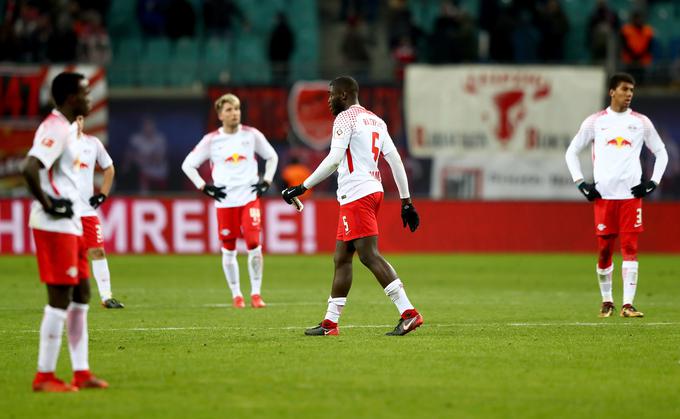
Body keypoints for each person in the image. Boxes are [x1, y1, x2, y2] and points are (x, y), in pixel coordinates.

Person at [282, 76, 422, 336]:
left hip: (357, 193)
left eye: (331, 94)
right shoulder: (377, 121)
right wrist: (406, 202)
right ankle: (330, 324)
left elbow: (334, 159)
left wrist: (302, 187)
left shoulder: (345, 118)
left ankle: (409, 313)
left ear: (344, 95)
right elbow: (395, 162)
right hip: (369, 191)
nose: (328, 100)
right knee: (342, 258)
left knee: (369, 255)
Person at [21, 72, 109, 392]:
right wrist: (49, 204)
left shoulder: (72, 131)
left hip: (72, 224)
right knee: (59, 297)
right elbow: (29, 168)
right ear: (71, 98)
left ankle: (81, 372)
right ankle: (44, 375)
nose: (90, 98)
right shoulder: (55, 128)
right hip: (54, 225)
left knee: (82, 293)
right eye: (86, 92)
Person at [565, 72, 668, 318]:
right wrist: (581, 183)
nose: (629, 94)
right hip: (604, 196)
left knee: (631, 247)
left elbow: (661, 152)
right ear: (612, 92)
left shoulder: (641, 122)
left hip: (631, 197)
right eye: (624, 90)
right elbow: (571, 152)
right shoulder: (595, 122)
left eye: (632, 90)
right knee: (604, 250)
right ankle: (607, 301)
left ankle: (628, 305)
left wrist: (652, 182)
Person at [182, 93, 278, 308]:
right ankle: (236, 294)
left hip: (248, 198)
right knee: (229, 247)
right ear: (219, 115)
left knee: (254, 243)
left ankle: (255, 293)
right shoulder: (211, 140)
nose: (234, 113)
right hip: (225, 201)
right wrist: (204, 186)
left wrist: (266, 181)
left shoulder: (251, 135)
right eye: (229, 110)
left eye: (236, 109)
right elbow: (188, 164)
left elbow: (272, 156)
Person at [74, 116, 124, 309]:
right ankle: (67, 296)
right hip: (66, 212)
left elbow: (109, 168)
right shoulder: (60, 143)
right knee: (70, 255)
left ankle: (106, 297)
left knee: (98, 250)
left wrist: (103, 194)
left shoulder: (92, 143)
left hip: (87, 211)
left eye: (80, 118)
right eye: (74, 119)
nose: (78, 122)